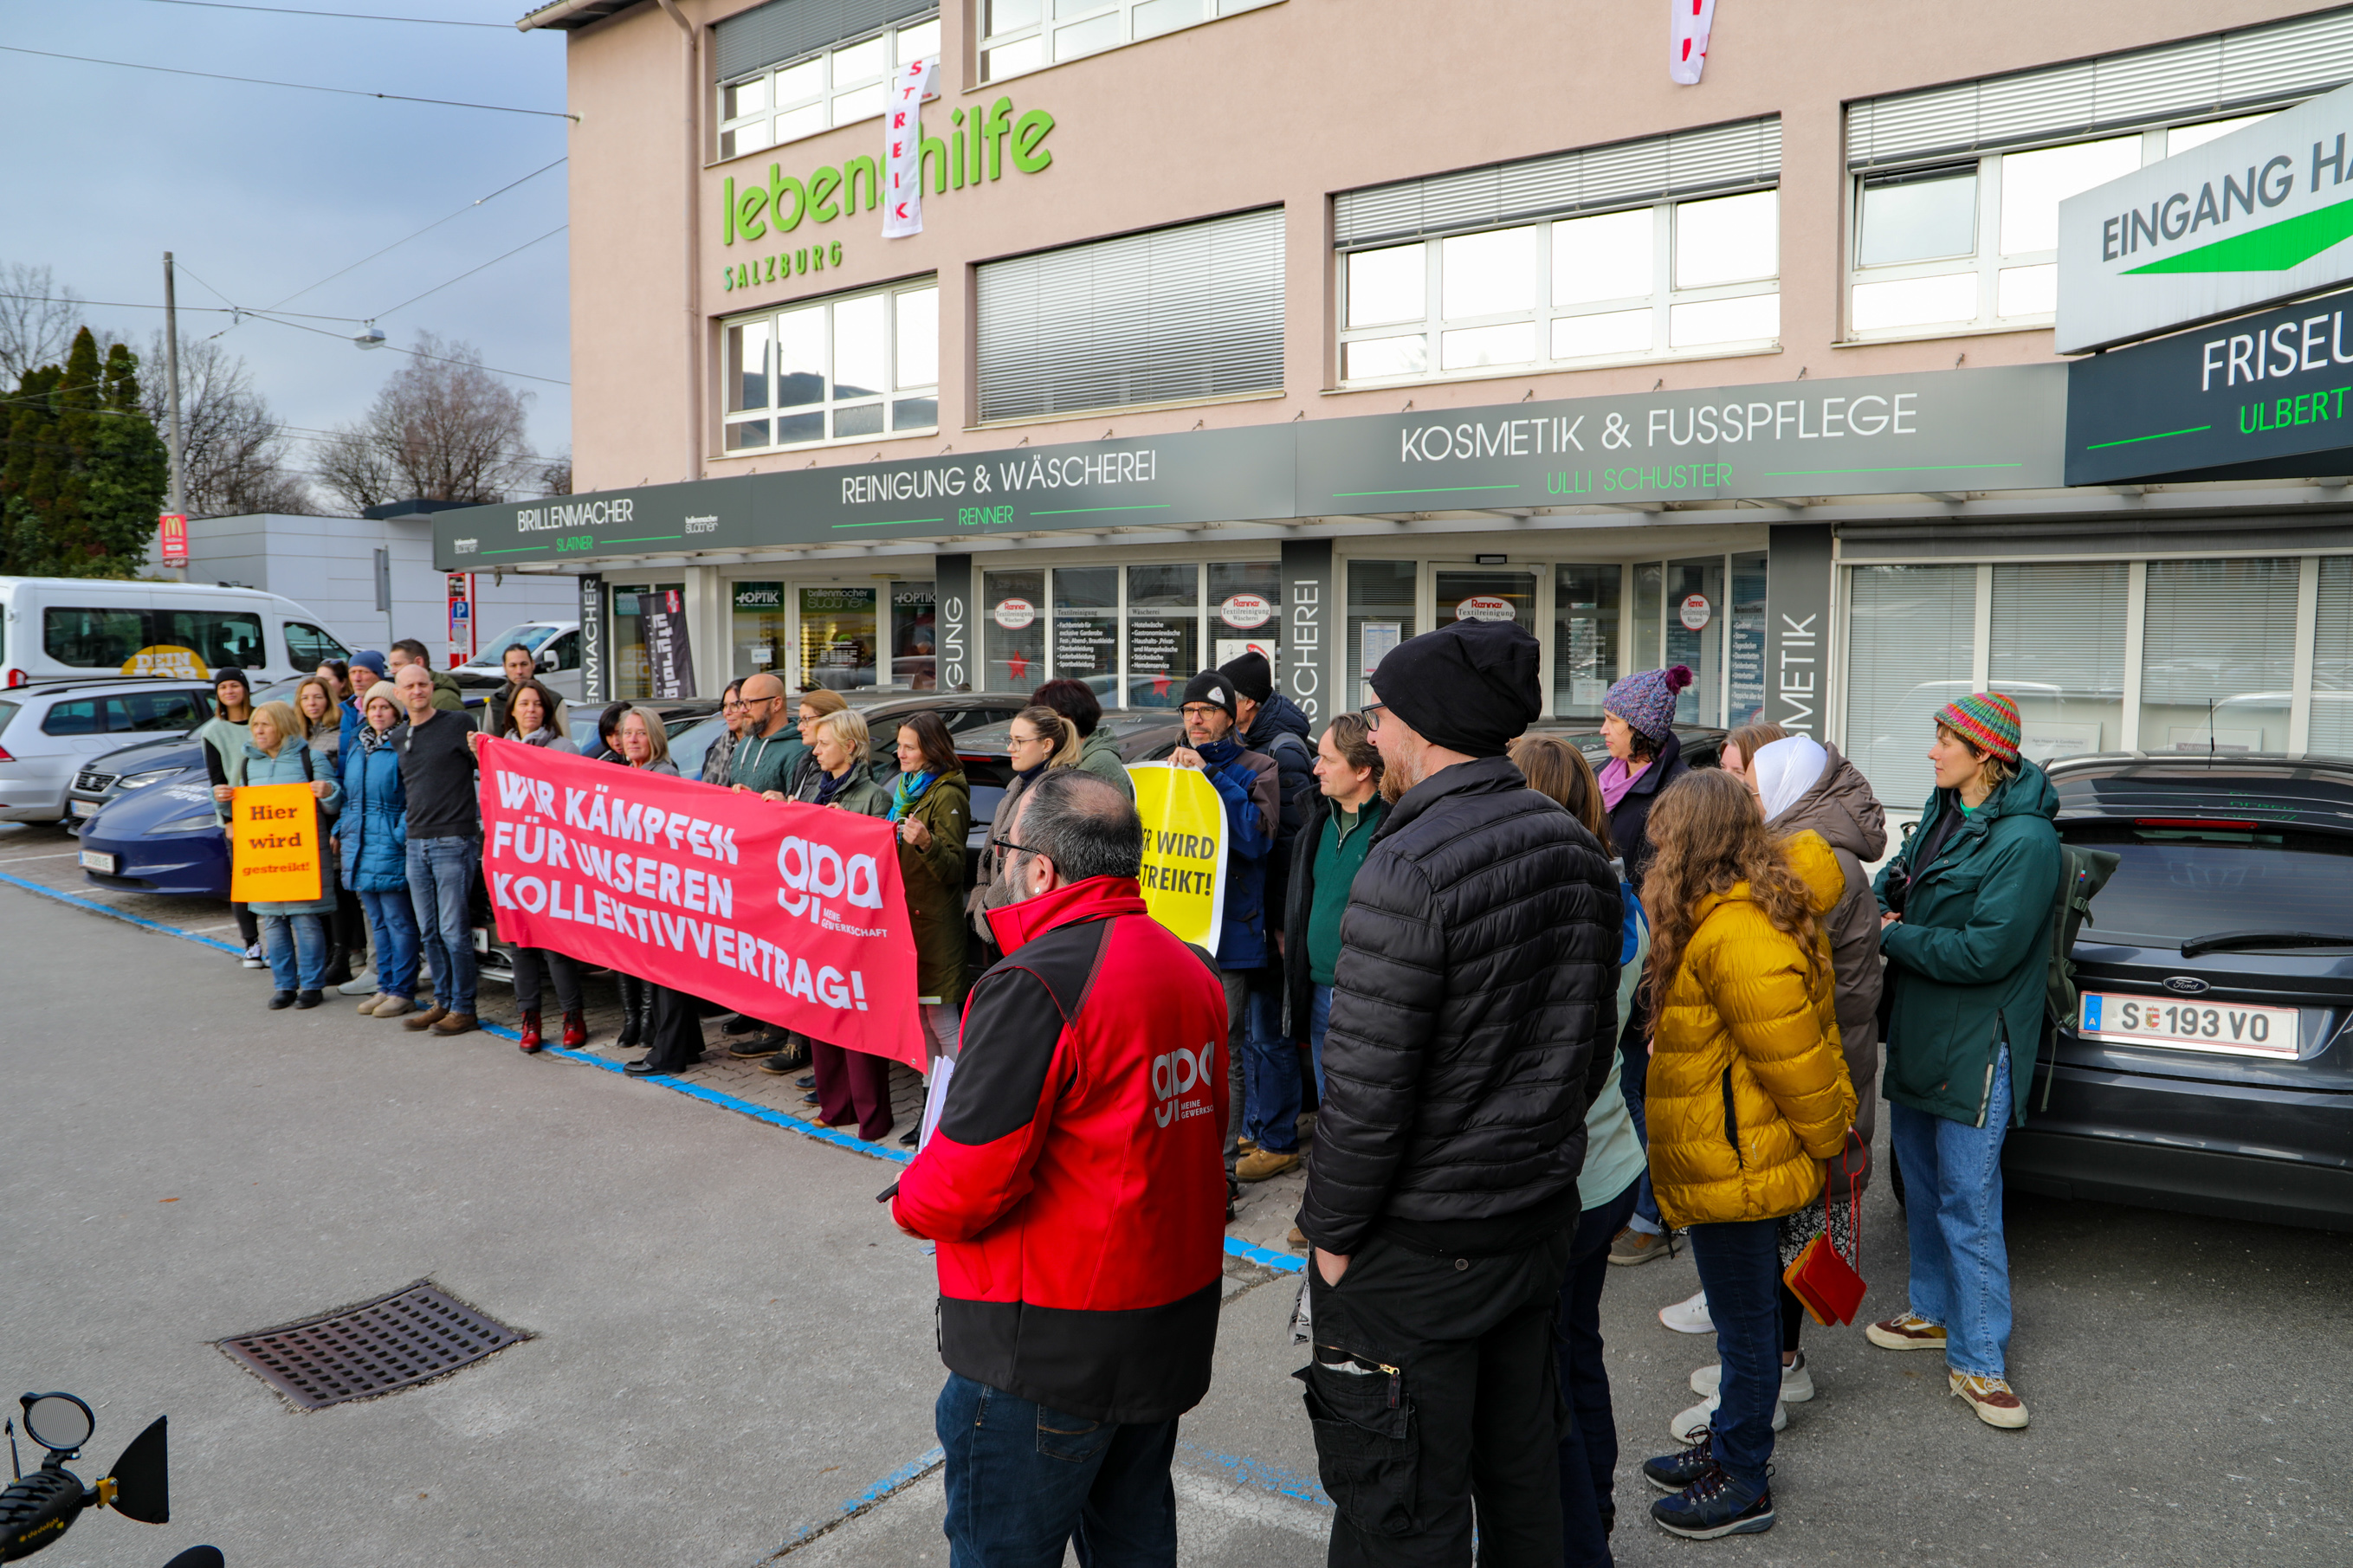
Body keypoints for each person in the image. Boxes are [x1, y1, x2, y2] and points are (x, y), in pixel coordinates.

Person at [1296, 619, 1619, 1568]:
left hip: (1419, 1251)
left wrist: (1331, 1236)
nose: (1372, 733)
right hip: (1529, 1224)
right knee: (1522, 1483)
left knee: (1399, 1511)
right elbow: (1587, 1051)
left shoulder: (1405, 863)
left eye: (1381, 715)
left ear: (1425, 726)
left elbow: (1365, 1090)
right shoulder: (1572, 844)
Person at [891, 768, 1229, 1568]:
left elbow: (965, 1182)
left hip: (1045, 1346)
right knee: (1134, 1541)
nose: (996, 867)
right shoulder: (1189, 966)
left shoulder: (1036, 981)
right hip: (1162, 1328)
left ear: (1039, 868)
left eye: (1001, 850)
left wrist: (908, 1199)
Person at [1633, 768, 1855, 1540]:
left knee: (1747, 1328)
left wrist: (1829, 1149)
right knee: (1745, 1323)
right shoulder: (1736, 913)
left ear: (1693, 840)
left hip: (1740, 1165)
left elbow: (1797, 1062)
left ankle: (1743, 1479)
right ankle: (1731, 1444)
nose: (1655, 849)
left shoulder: (1738, 931)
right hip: (1735, 1153)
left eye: (1665, 836)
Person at [1665, 725, 1889, 1415]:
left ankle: (1768, 1383)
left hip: (1815, 1069)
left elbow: (1786, 1007)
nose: (1748, 801)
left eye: (1754, 788)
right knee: (1781, 1235)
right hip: (1810, 1063)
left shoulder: (1807, 867)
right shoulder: (1798, 858)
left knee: (1788, 1231)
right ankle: (1764, 1370)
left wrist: (1829, 1132)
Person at [1867, 694, 2059, 1431]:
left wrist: (1892, 936)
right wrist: (1888, 897)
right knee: (1920, 1186)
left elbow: (1987, 951)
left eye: (1945, 740)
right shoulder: (1943, 811)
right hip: (1920, 1031)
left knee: (1967, 1202)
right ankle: (1932, 1310)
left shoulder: (2026, 841)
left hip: (1978, 1044)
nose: (1932, 750)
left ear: (1986, 754)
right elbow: (1894, 882)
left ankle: (1979, 1359)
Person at [1509, 731, 1645, 1565]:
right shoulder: (1616, 893)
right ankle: (1595, 1505)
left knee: (1546, 1375)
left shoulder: (1558, 910)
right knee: (1576, 1346)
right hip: (1609, 1160)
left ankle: (1579, 1540)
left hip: (1570, 1174)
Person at [1161, 672, 1279, 1182]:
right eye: (1189, 711)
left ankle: (1223, 1172)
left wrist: (1211, 776)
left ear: (1230, 717)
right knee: (1171, 1049)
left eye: (1206, 711)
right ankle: (1179, 1160)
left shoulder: (1259, 768)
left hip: (1229, 937)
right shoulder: (1167, 765)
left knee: (1223, 1052)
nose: (1196, 720)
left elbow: (1256, 840)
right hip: (1173, 935)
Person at [1599, 664, 1697, 1268]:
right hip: (1616, 954)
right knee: (1621, 1088)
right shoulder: (1608, 777)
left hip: (1649, 963)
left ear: (1641, 728)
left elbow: (1669, 892)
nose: (1603, 730)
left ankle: (1650, 1216)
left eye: (1612, 720)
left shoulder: (1674, 791)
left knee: (1635, 1093)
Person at [792, 708, 898, 1132]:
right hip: (818, 920)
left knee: (858, 1022)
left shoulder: (875, 798)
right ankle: (835, 1107)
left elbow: (877, 866)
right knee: (822, 1016)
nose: (816, 751)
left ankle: (871, 1115)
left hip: (854, 926)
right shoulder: (817, 791)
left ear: (850, 748)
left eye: (824, 743)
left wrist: (843, 827)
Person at [474, 680, 585, 1054]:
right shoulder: (498, 750)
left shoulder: (564, 748)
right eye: (523, 704)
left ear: (547, 710)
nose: (531, 710)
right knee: (520, 942)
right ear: (512, 711)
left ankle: (573, 1017)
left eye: (537, 704)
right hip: (512, 860)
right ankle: (530, 1019)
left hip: (552, 859)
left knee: (555, 944)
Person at [1281, 713, 1384, 1108]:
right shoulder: (1316, 824)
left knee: (1358, 1107)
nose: (1315, 768)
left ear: (1362, 770)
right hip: (1317, 990)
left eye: (1327, 759)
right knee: (1329, 1105)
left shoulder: (1393, 829)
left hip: (1364, 998)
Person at [216, 700, 343, 1010]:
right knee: (272, 923)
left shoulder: (311, 758)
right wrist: (221, 801)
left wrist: (329, 793)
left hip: (302, 857)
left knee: (306, 921)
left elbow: (334, 805)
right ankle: (284, 985)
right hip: (267, 859)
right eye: (255, 725)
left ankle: (311, 985)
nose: (257, 731)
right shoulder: (248, 764)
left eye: (265, 724)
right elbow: (240, 811)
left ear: (283, 726)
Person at [604, 707, 707, 1078]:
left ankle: (667, 1055)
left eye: (640, 732)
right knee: (662, 970)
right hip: (643, 885)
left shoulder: (663, 775)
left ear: (655, 737)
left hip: (663, 889)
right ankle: (687, 1045)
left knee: (667, 973)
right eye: (627, 732)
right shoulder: (630, 772)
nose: (632, 739)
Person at [887, 713, 972, 1116]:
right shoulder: (907, 789)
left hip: (935, 925)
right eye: (899, 745)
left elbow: (954, 869)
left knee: (941, 1019)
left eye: (909, 747)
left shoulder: (947, 794)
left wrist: (926, 843)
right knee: (921, 1019)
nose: (900, 754)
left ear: (931, 750)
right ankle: (931, 1107)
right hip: (911, 920)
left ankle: (958, 1106)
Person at [391, 661, 482, 1037]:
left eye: (423, 684)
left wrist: (481, 749)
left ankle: (464, 1008)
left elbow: (488, 766)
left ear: (432, 686)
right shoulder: (399, 736)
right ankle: (442, 1002)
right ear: (398, 694)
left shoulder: (458, 723)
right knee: (429, 931)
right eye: (409, 686)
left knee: (453, 931)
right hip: (416, 842)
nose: (417, 691)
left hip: (453, 840)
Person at [963, 703, 1080, 952]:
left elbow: (1024, 863)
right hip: (1005, 917)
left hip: (1026, 922)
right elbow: (990, 853)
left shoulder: (1054, 792)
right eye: (1010, 740)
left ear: (1046, 745)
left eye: (1019, 741)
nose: (1010, 748)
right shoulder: (1019, 785)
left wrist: (987, 910)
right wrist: (980, 902)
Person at [339, 686, 421, 1019]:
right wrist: (341, 829)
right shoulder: (358, 745)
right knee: (378, 924)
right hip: (360, 844)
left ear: (397, 712)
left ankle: (403, 990)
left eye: (385, 707)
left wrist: (397, 834)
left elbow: (415, 796)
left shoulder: (403, 744)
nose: (377, 712)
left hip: (389, 845)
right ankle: (385, 986)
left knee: (399, 922)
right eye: (372, 706)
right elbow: (350, 797)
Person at [194, 668, 265, 970]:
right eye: (223, 688)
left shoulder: (263, 718)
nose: (229, 692)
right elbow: (217, 779)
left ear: (245, 688)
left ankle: (285, 941)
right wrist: (229, 821)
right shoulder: (213, 731)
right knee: (244, 881)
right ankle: (252, 944)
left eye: (235, 685)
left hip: (274, 810)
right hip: (239, 814)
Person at [294, 675, 360, 988]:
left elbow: (346, 782)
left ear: (329, 699)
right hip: (302, 825)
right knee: (316, 890)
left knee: (338, 891)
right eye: (306, 698)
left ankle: (342, 956)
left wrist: (340, 825)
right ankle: (322, 955)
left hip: (330, 820)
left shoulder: (340, 735)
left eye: (318, 697)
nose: (312, 703)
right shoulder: (296, 737)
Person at [1031, 676, 1133, 800]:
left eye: (1047, 719)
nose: (1041, 726)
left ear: (1070, 717)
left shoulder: (1100, 761)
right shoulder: (1065, 755)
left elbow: (1116, 810)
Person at [725, 672, 801, 798]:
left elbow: (802, 805)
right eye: (741, 703)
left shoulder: (798, 749)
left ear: (776, 704)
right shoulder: (745, 743)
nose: (742, 710)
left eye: (749, 702)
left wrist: (781, 803)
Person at [479, 640, 572, 739]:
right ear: (504, 667)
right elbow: (488, 742)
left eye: (524, 664)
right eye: (513, 665)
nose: (519, 671)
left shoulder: (554, 700)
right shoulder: (496, 701)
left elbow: (565, 742)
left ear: (533, 664)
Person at [337, 650, 390, 763]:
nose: (357, 678)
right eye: (352, 672)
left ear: (379, 676)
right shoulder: (343, 710)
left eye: (363, 672)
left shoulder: (394, 710)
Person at [388, 637, 465, 712]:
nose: (392, 671)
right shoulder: (410, 695)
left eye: (397, 664)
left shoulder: (444, 699)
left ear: (418, 662)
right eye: (391, 666)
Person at [701, 679, 748, 789]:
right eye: (725, 706)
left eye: (734, 705)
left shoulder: (760, 746)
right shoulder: (716, 747)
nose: (727, 712)